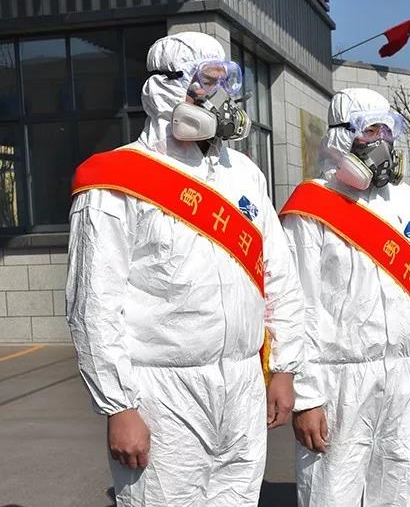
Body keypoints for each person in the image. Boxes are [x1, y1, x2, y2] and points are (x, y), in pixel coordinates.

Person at [66, 31, 305, 506]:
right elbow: (93, 305)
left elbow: (278, 276)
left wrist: (284, 368)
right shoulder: (114, 181)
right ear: (166, 88)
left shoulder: (244, 174)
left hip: (242, 384)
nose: (220, 96)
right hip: (161, 392)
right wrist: (119, 406)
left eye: (226, 82)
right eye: (206, 82)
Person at [279, 88, 410, 507]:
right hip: (339, 381)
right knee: (330, 493)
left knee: (397, 489)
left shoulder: (408, 203)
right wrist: (307, 397)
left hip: (404, 375)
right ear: (341, 136)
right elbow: (297, 306)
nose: (382, 142)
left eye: (388, 131)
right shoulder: (311, 206)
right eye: (370, 131)